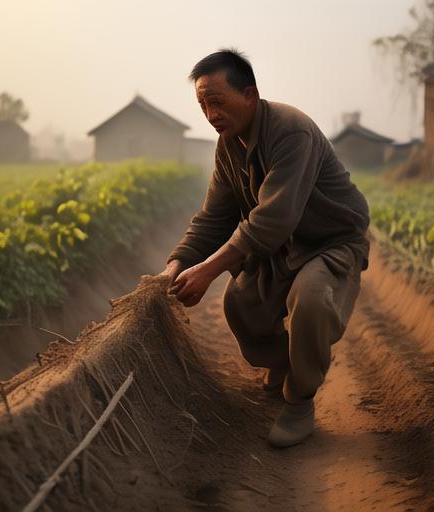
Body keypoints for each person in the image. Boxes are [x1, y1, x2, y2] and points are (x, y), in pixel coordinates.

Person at [161, 49, 370, 448]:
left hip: (329, 239)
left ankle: (300, 401)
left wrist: (208, 269)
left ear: (250, 96)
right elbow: (214, 217)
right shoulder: (229, 146)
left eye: (217, 102)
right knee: (239, 304)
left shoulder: (291, 131)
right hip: (284, 246)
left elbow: (272, 220)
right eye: (203, 104)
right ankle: (285, 361)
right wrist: (177, 264)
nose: (210, 113)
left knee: (310, 300)